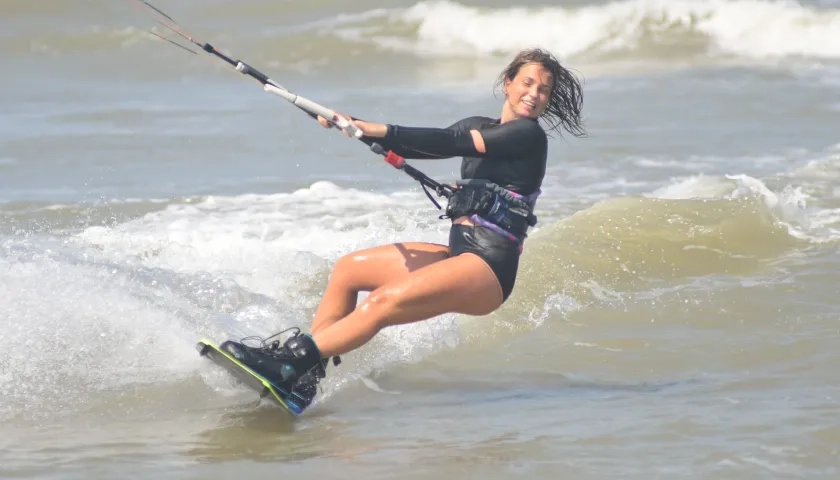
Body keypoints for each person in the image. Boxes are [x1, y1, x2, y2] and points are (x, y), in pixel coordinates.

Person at [220, 47, 586, 411]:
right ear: (508, 84)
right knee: (349, 270)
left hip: (490, 268)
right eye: (527, 83)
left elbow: (450, 143)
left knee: (384, 301)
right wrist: (349, 122)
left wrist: (376, 128)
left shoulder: (528, 135)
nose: (534, 94)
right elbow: (422, 144)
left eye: (544, 90)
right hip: (461, 256)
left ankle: (291, 362)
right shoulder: (481, 124)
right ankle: (303, 380)